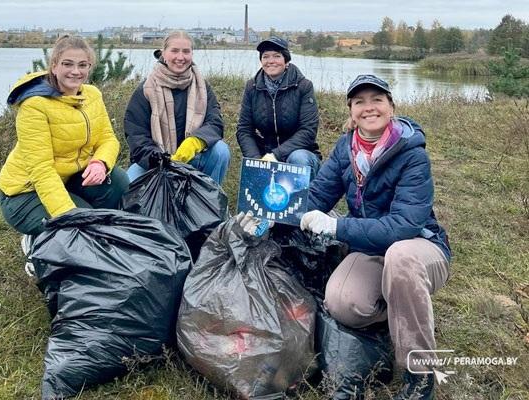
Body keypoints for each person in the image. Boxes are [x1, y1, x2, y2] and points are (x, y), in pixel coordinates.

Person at [299, 74, 452, 399]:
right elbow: (318, 195)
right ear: (351, 111)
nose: (369, 108)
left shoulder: (412, 154)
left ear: (391, 106)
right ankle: (405, 309)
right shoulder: (346, 149)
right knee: (343, 303)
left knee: (400, 256)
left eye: (377, 100)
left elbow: (403, 227)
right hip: (371, 248)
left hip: (420, 248)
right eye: (359, 102)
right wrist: (272, 215)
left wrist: (336, 227)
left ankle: (421, 375)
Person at [0, 35, 129, 239]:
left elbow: (108, 138)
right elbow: (41, 169)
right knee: (83, 227)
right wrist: (69, 215)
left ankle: (77, 229)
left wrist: (99, 163)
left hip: (67, 179)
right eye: (68, 64)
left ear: (90, 67)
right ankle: (37, 246)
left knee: (118, 181)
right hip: (24, 191)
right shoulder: (35, 105)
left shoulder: (92, 94)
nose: (75, 71)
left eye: (82, 65)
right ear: (54, 66)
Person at [124, 31, 230, 185]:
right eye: (174, 51)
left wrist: (196, 141)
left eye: (186, 51)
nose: (180, 57)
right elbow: (136, 136)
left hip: (193, 158)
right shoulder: (146, 90)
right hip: (153, 162)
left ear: (192, 54)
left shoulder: (202, 87)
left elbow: (215, 122)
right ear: (163, 54)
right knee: (129, 181)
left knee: (221, 151)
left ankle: (207, 202)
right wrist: (162, 160)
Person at [236, 36, 321, 178]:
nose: (271, 61)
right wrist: (255, 159)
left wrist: (276, 155)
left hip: (299, 152)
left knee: (298, 158)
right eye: (265, 56)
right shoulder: (252, 87)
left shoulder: (303, 86)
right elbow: (244, 129)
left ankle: (307, 198)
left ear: (286, 61)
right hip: (265, 152)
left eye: (277, 56)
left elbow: (308, 131)